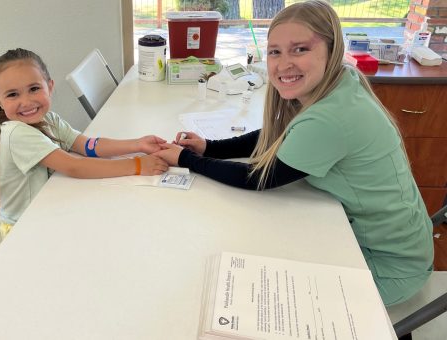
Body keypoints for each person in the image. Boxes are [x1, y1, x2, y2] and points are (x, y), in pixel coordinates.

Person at [154, 0, 433, 306]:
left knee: (267, 296)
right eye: (275, 51)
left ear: (331, 50)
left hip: (389, 267)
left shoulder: (332, 118)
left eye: (300, 49)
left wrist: (186, 160)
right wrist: (211, 147)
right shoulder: (340, 82)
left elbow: (259, 178)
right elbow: (284, 136)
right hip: (395, 243)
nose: (283, 63)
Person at [0, 48, 168, 237]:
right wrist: (137, 165)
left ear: (49, 87)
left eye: (34, 89)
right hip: (23, 228)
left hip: (49, 206)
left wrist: (137, 144)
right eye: (12, 94)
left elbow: (87, 146)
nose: (25, 102)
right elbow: (75, 167)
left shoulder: (48, 118)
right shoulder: (18, 133)